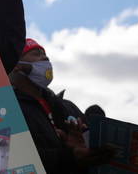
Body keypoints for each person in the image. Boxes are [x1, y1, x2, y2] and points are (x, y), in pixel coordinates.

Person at [9, 38, 113, 174]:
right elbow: (15, 161)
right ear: (17, 65)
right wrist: (70, 156)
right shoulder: (9, 110)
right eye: (36, 53)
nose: (45, 57)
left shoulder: (68, 107)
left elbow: (89, 154)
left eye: (45, 54)